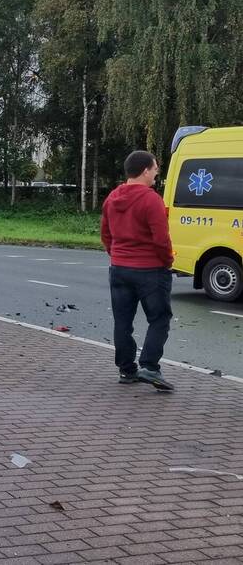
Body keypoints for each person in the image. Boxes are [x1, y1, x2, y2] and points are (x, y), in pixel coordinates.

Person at [101, 150, 175, 391]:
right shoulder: (151, 200)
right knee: (159, 318)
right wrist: (167, 261)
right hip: (150, 270)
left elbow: (106, 234)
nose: (156, 174)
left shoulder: (112, 198)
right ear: (145, 171)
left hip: (119, 268)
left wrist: (116, 255)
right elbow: (161, 238)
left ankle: (127, 370)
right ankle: (150, 367)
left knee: (122, 321)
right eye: (155, 169)